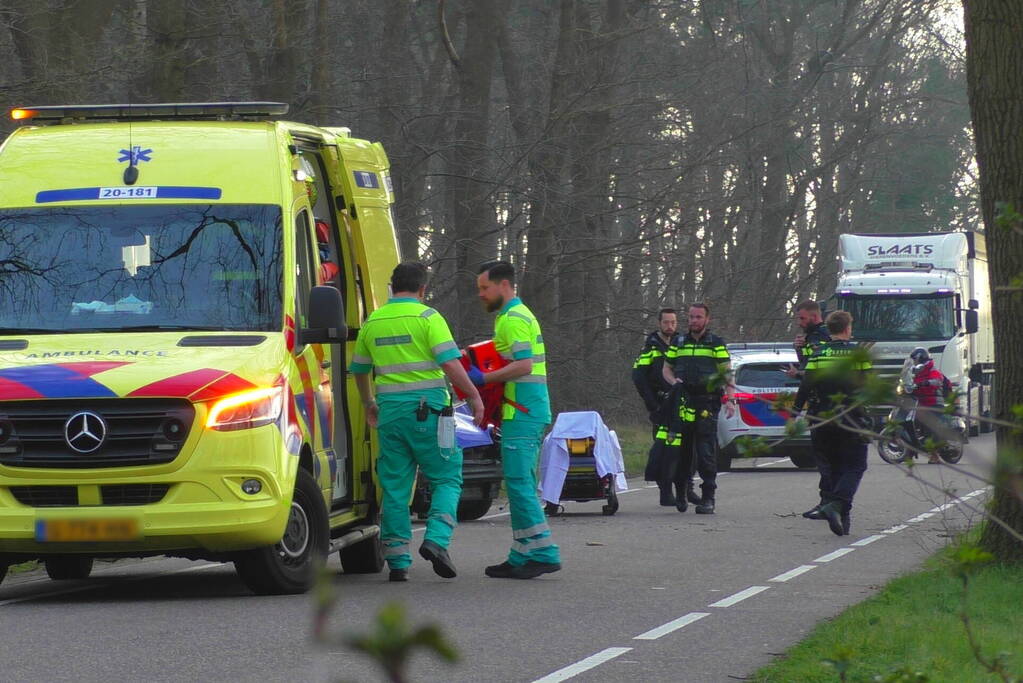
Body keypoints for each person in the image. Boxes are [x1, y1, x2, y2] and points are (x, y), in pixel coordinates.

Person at [349, 262, 484, 582]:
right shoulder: (428, 317)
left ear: (392, 287)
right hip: (432, 414)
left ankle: (397, 560)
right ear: (423, 289)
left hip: (390, 414)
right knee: (447, 477)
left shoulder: (373, 321)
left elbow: (358, 370)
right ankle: (436, 540)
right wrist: (474, 396)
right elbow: (450, 364)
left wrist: (370, 402)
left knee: (395, 486)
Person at [469, 260, 561, 579]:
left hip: (523, 411)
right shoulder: (512, 316)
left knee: (520, 485)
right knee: (519, 483)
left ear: (503, 285)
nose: (480, 294)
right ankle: (521, 554)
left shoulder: (513, 319)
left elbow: (524, 366)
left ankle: (544, 552)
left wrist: (484, 378)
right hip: (521, 410)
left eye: (484, 288)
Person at [793, 310, 873, 536]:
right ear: (848, 328)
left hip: (820, 418)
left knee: (836, 467)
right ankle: (836, 505)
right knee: (856, 465)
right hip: (850, 418)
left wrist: (795, 411)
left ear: (829, 329)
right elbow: (866, 386)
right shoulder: (858, 354)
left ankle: (841, 519)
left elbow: (807, 384)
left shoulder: (819, 353)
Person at [662, 303, 735, 514]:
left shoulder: (716, 343)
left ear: (707, 319)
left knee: (705, 452)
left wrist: (730, 399)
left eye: (698, 317)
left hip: (707, 402)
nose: (694, 321)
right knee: (682, 450)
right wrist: (673, 382)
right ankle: (683, 491)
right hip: (683, 403)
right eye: (691, 317)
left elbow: (726, 373)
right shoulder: (679, 341)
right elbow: (666, 368)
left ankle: (708, 497)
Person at [783, 300, 833, 520]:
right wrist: (798, 350)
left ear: (814, 316)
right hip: (828, 405)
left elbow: (812, 374)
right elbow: (807, 366)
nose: (799, 322)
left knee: (825, 459)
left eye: (802, 318)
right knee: (829, 460)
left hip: (821, 406)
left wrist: (795, 412)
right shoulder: (819, 337)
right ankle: (831, 502)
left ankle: (829, 502)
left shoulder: (819, 338)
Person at [632, 308, 684, 506]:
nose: (669, 326)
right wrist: (652, 404)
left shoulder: (682, 344)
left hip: (681, 405)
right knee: (663, 449)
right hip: (660, 406)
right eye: (666, 322)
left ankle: (684, 489)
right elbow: (638, 377)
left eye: (673, 322)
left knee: (684, 449)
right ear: (659, 323)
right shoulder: (650, 348)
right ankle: (665, 491)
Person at [907, 347, 953, 464]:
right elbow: (910, 383)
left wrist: (927, 382)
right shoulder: (917, 372)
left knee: (930, 428)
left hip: (934, 404)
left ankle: (935, 455)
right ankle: (911, 449)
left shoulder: (933, 371)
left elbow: (937, 381)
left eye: (915, 360)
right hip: (921, 404)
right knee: (912, 424)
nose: (914, 363)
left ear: (921, 359)